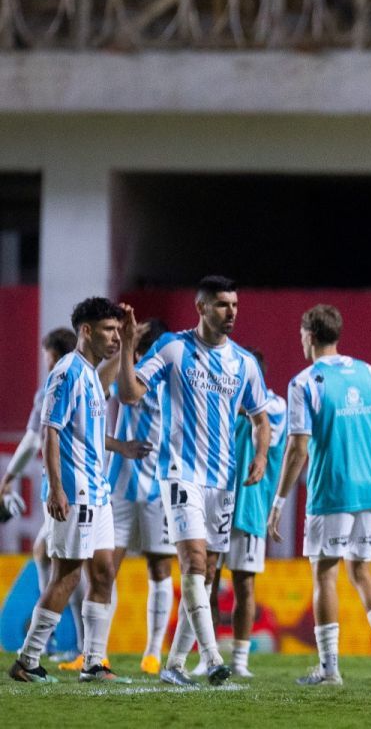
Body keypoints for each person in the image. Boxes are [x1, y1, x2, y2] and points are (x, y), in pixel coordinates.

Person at [117, 275, 273, 687]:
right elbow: (130, 394)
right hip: (180, 474)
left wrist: (260, 456)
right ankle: (213, 657)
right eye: (222, 304)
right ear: (201, 307)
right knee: (194, 563)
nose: (231, 312)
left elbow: (262, 418)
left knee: (206, 577)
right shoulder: (173, 348)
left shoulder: (244, 363)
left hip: (223, 481)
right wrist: (128, 348)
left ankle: (173, 665)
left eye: (234, 305)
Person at [9, 298, 149, 684]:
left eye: (118, 330)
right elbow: (50, 432)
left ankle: (94, 662)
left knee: (102, 574)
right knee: (68, 576)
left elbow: (100, 421)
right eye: (109, 330)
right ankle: (27, 660)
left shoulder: (90, 374)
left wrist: (130, 337)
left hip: (98, 492)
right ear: (86, 331)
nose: (115, 337)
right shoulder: (67, 372)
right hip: (75, 491)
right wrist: (56, 488)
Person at [267, 304, 371, 687]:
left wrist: (278, 503)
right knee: (361, 570)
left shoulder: (304, 382)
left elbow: (298, 448)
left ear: (309, 335)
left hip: (331, 489)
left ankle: (329, 669)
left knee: (325, 573)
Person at [0, 328, 82, 660]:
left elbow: (34, 438)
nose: (46, 363)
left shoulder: (54, 385)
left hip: (66, 486)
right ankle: (65, 643)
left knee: (70, 567)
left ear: (56, 355)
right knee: (50, 556)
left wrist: (8, 478)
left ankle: (76, 646)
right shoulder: (88, 381)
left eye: (47, 356)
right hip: (82, 484)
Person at [210, 347, 288, 678]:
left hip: (250, 507)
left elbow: (264, 423)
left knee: (244, 586)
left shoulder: (277, 407)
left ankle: (240, 660)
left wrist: (232, 403)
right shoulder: (218, 403)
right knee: (206, 583)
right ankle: (209, 654)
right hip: (214, 503)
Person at [106, 317, 176, 676]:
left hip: (159, 487)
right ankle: (96, 652)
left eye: (140, 345)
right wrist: (126, 347)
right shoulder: (129, 372)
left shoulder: (170, 377)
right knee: (105, 568)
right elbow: (117, 391)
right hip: (120, 483)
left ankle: (152, 653)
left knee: (159, 567)